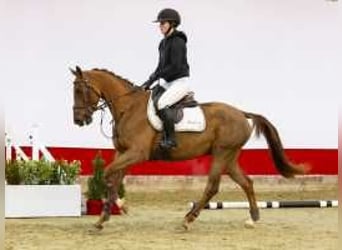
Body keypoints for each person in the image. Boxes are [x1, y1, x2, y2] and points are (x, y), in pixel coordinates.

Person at [141, 8, 191, 150]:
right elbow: (160, 67)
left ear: (172, 24)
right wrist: (149, 82)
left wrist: (158, 78)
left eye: (163, 23)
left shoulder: (178, 42)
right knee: (150, 99)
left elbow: (175, 67)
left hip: (180, 82)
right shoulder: (163, 43)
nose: (160, 26)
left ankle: (171, 139)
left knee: (162, 103)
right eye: (160, 23)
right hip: (168, 82)